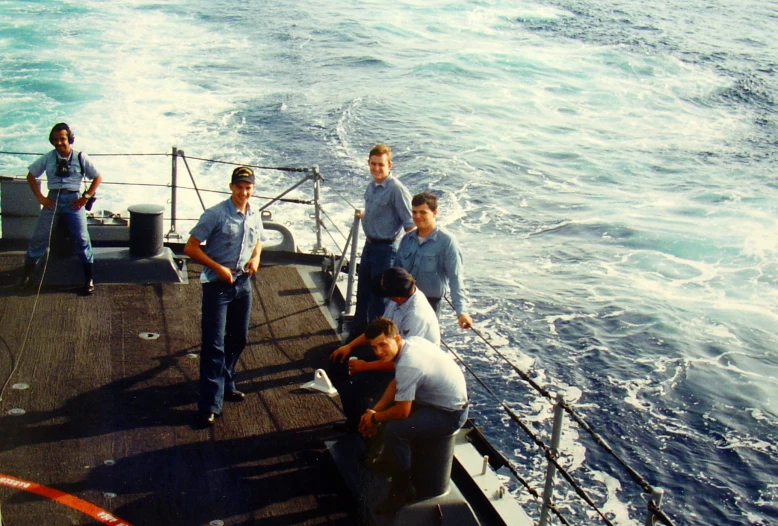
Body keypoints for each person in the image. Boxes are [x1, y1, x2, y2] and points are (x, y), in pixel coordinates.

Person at [357, 318, 468, 515]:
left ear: (396, 339)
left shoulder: (409, 364)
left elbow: (402, 412)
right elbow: (396, 383)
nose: (378, 352)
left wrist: (374, 419)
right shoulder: (412, 342)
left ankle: (401, 490)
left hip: (449, 414)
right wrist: (374, 411)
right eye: (374, 347)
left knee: (396, 429)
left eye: (383, 344)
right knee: (385, 409)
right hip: (437, 400)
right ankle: (388, 460)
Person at [184, 166, 263, 427]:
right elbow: (190, 247)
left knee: (239, 338)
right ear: (231, 187)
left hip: (243, 284)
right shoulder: (215, 214)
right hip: (217, 286)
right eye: (239, 187)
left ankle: (227, 381)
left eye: (248, 187)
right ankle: (209, 404)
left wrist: (255, 258)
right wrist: (218, 268)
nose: (244, 192)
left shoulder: (254, 213)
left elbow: (258, 240)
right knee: (214, 345)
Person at [329, 267, 439, 432]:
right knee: (338, 360)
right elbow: (378, 330)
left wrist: (365, 366)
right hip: (390, 353)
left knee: (351, 387)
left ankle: (363, 426)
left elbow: (402, 362)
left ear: (397, 296)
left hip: (409, 368)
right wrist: (349, 346)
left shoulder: (416, 316)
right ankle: (357, 416)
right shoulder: (399, 300)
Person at [20, 123, 103, 295]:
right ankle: (27, 275)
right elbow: (31, 175)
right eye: (55, 140)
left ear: (69, 139)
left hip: (74, 200)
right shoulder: (48, 158)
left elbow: (97, 177)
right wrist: (41, 198)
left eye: (62, 139)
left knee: (81, 238)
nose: (59, 143)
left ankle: (89, 279)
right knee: (39, 237)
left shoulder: (80, 157)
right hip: (52, 200)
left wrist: (85, 197)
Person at [350, 144, 415, 338]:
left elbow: (410, 226)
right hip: (369, 246)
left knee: (379, 300)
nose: (376, 168)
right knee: (362, 294)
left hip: (385, 250)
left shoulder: (397, 190)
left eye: (381, 165)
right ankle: (357, 335)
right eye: (373, 164)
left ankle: (376, 343)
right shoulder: (372, 185)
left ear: (390, 165)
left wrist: (407, 260)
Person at [396, 192, 473, 329]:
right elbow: (396, 272)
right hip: (403, 302)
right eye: (414, 212)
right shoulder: (407, 239)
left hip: (429, 305)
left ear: (434, 212)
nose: (417, 217)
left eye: (423, 212)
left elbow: (456, 279)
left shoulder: (447, 242)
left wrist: (461, 312)